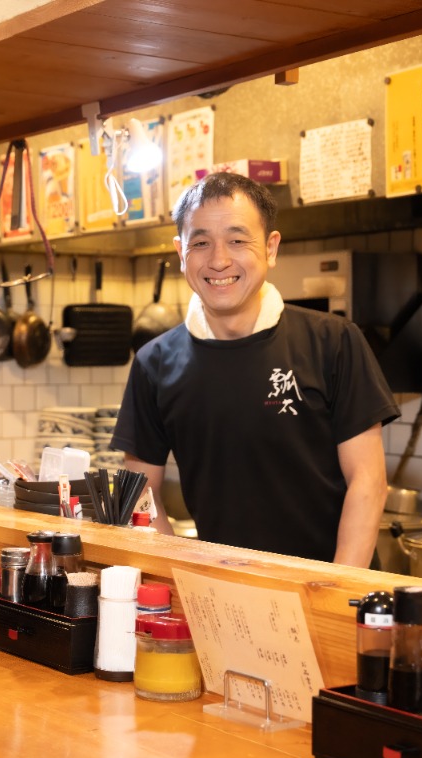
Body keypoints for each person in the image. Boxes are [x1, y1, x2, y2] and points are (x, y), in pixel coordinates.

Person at [111, 173, 398, 567]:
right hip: (224, 588)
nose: (219, 260)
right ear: (180, 252)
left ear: (270, 247)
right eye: (200, 243)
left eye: (237, 240)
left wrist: (335, 586)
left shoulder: (333, 341)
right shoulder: (154, 363)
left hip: (329, 583)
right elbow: (141, 492)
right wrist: (180, 573)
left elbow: (368, 481)